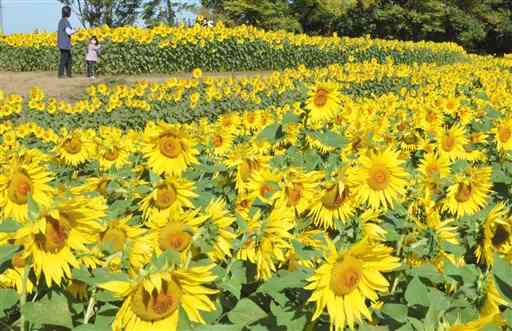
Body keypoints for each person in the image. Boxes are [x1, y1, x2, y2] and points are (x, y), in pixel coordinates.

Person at [57, 6, 77, 78]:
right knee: (64, 59)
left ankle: (69, 74)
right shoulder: (65, 21)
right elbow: (69, 32)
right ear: (68, 13)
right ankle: (61, 74)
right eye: (70, 12)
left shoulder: (61, 21)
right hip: (64, 44)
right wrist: (75, 30)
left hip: (63, 44)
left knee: (68, 59)